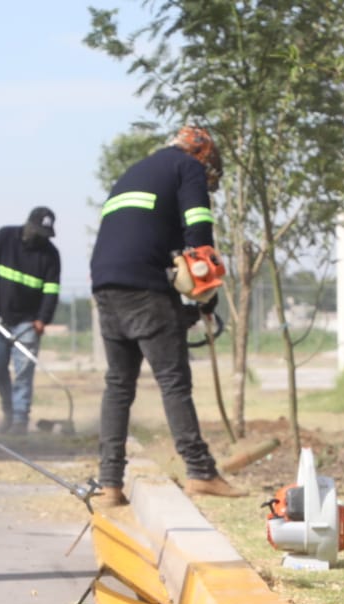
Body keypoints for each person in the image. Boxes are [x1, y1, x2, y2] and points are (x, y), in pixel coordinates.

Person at [89, 127, 245, 505]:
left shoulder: (135, 172)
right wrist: (207, 295)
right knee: (174, 382)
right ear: (202, 157)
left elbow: (147, 238)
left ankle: (109, 483)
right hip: (144, 287)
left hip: (106, 283)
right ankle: (201, 472)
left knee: (119, 386)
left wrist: (183, 309)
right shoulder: (186, 167)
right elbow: (198, 231)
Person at [0, 206, 61, 433]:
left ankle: (21, 419)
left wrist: (43, 319)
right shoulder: (4, 238)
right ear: (29, 226)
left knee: (23, 372)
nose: (42, 239)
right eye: (39, 233)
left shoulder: (51, 255)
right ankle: (9, 412)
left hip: (28, 323)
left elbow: (51, 291)